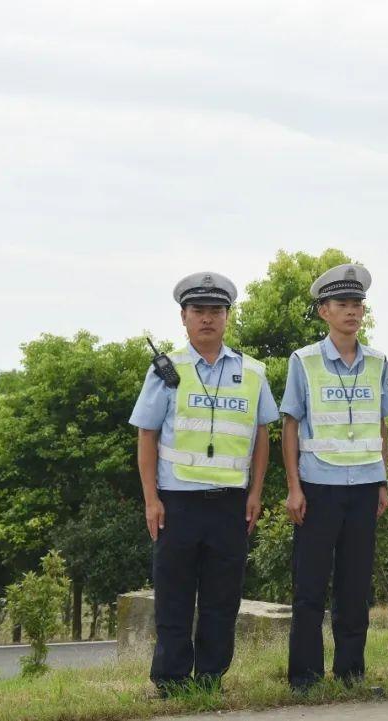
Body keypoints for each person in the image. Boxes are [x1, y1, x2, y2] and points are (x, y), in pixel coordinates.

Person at [129, 272, 279, 696]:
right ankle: (172, 681)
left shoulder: (252, 372)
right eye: (199, 311)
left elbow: (261, 434)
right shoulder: (166, 370)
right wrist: (150, 500)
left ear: (228, 316)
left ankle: (211, 678)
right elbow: (147, 434)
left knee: (222, 597)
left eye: (216, 310)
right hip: (177, 502)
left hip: (230, 504)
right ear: (184, 317)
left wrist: (255, 493)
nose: (207, 319)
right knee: (174, 595)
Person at [281, 263, 388, 692]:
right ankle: (305, 678)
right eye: (342, 304)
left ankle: (351, 673)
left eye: (357, 304)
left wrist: (382, 479)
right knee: (310, 587)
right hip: (318, 485)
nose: (352, 311)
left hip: (364, 486)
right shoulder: (304, 361)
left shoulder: (378, 362)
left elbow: (381, 425)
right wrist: (294, 487)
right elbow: (290, 425)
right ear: (323, 312)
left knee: (354, 586)